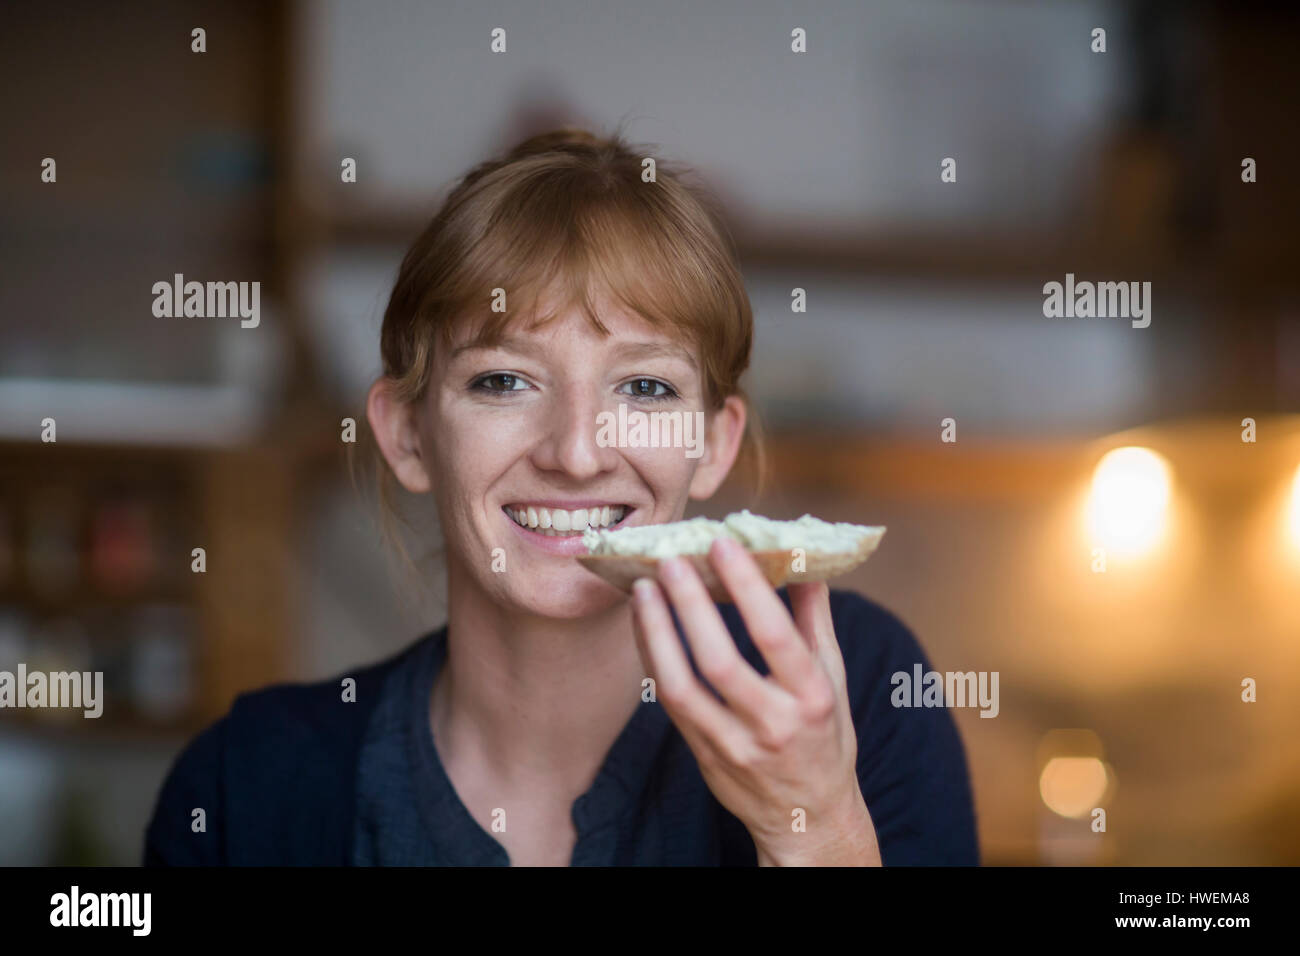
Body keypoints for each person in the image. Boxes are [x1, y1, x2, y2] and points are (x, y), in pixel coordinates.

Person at [143, 125, 978, 866]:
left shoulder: (864, 696)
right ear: (405, 434)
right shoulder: (245, 784)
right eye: (504, 380)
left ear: (714, 442)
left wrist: (816, 830)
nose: (576, 453)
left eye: (645, 389)